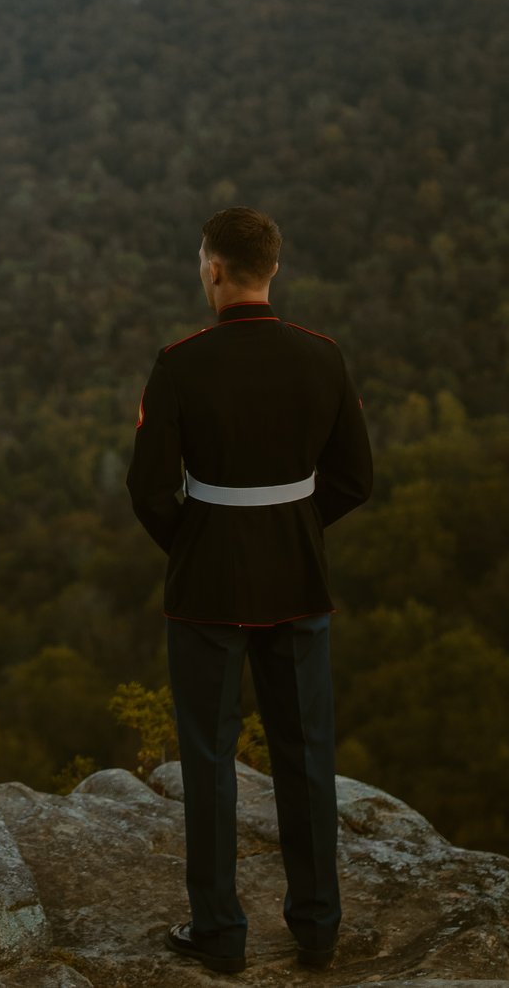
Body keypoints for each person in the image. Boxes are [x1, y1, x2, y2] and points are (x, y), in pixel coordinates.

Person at [125, 206, 375, 976]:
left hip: (207, 585)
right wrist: (292, 526)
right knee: (306, 751)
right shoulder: (323, 356)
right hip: (297, 576)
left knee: (209, 757)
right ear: (274, 269)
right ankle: (318, 927)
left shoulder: (180, 363)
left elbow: (148, 487)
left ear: (213, 270)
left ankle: (220, 930)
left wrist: (198, 541)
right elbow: (355, 478)